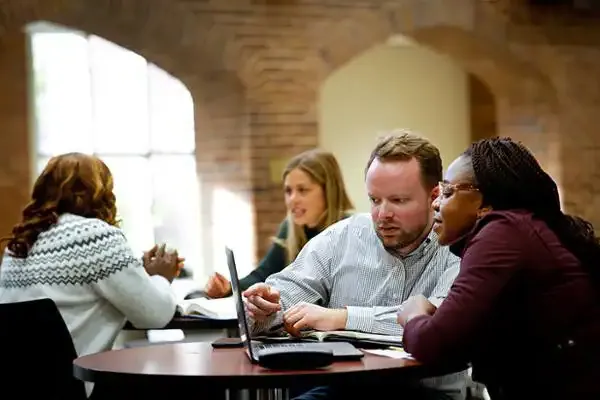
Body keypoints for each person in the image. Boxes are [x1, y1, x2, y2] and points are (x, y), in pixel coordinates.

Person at [243, 131, 467, 400]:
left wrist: (341, 318)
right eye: (375, 200)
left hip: (429, 392)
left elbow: (441, 323)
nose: (383, 215)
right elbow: (286, 294)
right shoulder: (341, 238)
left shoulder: (460, 247)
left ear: (434, 196)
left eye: (398, 200)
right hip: (345, 389)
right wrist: (264, 307)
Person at [398, 137, 600, 399]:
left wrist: (413, 315)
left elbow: (434, 343)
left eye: (447, 192)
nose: (436, 204)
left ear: (484, 204)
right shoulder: (521, 228)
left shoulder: (503, 233)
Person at [0, 153, 181, 361]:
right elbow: (154, 314)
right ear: (98, 192)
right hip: (76, 384)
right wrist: (161, 277)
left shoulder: (18, 244)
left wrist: (141, 276)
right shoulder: (95, 236)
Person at [204, 148, 354, 298]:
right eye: (288, 191)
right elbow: (262, 275)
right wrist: (229, 288)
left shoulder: (350, 232)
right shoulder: (290, 228)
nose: (292, 199)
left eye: (303, 190)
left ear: (328, 191)